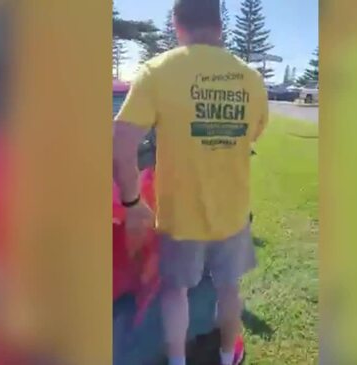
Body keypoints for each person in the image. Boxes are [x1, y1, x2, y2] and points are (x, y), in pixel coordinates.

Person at [112, 0, 269, 364]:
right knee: (228, 290)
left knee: (175, 292)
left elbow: (121, 141)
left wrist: (134, 204)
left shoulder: (158, 71)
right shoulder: (251, 78)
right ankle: (229, 356)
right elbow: (252, 135)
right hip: (232, 213)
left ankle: (179, 361)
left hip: (180, 217)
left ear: (177, 24)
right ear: (220, 26)